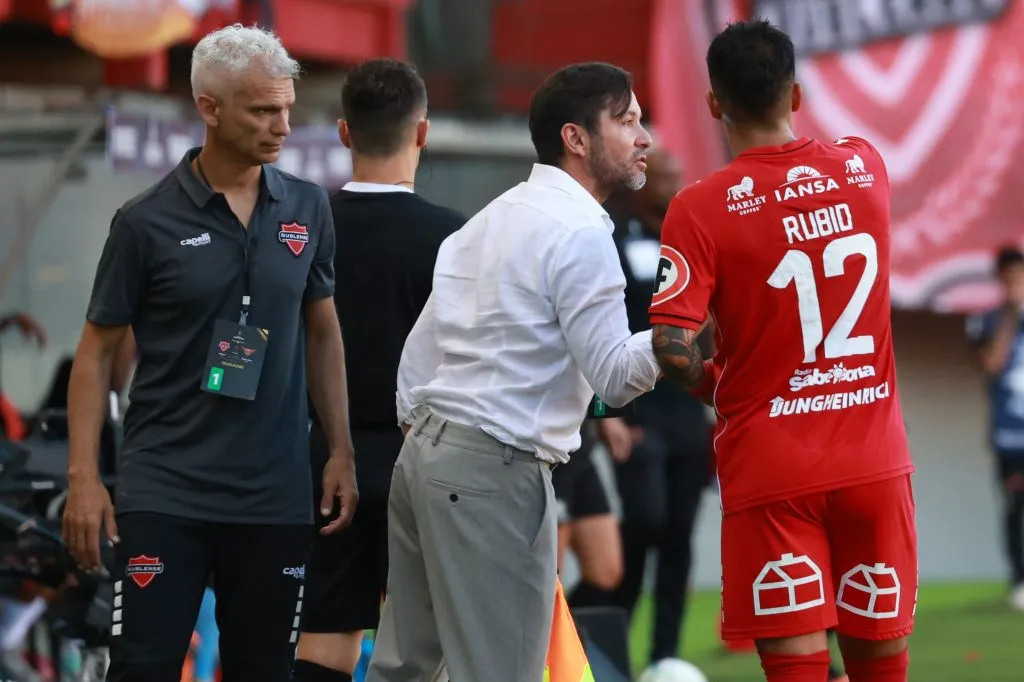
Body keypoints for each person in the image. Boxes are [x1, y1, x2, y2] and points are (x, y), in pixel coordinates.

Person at [62, 24, 357, 682]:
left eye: (285, 108)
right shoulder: (145, 222)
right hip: (165, 491)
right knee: (142, 669)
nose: (281, 125)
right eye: (262, 110)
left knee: (264, 672)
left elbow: (322, 331)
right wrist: (85, 478)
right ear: (209, 108)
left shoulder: (307, 208)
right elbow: (94, 352)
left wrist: (339, 450)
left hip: (275, 495)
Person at [366, 62, 660, 682]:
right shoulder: (580, 231)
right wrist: (686, 333)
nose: (644, 137)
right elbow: (613, 376)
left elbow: (415, 363)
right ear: (575, 139)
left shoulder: (488, 218)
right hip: (491, 471)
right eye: (627, 120)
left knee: (406, 671)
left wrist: (435, 448)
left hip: (425, 459)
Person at [648, 20, 916, 682]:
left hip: (771, 470)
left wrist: (716, 385)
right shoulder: (864, 166)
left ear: (715, 103)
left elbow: (670, 344)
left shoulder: (698, 208)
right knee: (881, 666)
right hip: (873, 466)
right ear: (794, 95)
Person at [292, 58, 466, 682]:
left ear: (344, 132)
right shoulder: (455, 240)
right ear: (422, 132)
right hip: (425, 459)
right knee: (429, 646)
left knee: (324, 638)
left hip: (319, 459)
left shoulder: (305, 230)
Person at [575, 148, 714, 668]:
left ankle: (666, 659)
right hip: (636, 410)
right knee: (644, 523)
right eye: (669, 175)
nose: (678, 182)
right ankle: (611, 652)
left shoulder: (691, 238)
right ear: (644, 180)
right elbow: (595, 331)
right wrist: (607, 415)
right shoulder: (614, 234)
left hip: (685, 412)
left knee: (678, 537)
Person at [966, 245, 1024, 612]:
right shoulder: (986, 319)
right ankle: (1019, 580)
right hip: (1009, 435)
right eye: (1009, 278)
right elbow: (990, 364)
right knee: (1015, 506)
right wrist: (1010, 316)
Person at [551, 423, 623, 600]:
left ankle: (569, 627)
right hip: (545, 454)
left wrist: (605, 419)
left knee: (606, 572)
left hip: (579, 449)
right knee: (550, 580)